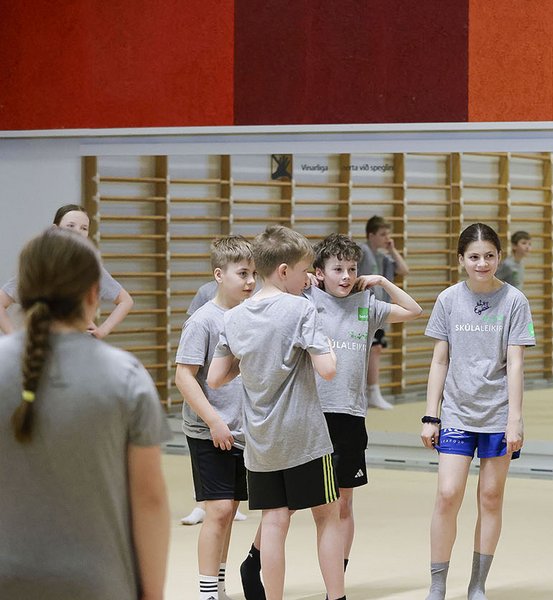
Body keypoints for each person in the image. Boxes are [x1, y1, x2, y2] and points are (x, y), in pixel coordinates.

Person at [0, 227, 170, 599]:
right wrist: (153, 593)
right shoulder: (126, 377)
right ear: (94, 294)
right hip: (98, 583)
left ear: (22, 293)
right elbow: (150, 499)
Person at [207, 225, 345, 600]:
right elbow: (327, 369)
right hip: (305, 439)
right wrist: (328, 347)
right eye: (305, 271)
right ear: (283, 271)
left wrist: (253, 362)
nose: (309, 278)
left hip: (261, 441)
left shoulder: (234, 317)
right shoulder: (301, 309)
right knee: (327, 516)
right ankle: (337, 597)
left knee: (273, 520)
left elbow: (216, 378)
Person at [420, 223, 535, 600]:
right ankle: (438, 583)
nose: (482, 263)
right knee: (447, 494)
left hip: (498, 414)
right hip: (457, 411)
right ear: (461, 260)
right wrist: (431, 415)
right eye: (474, 257)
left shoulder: (514, 300)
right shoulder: (448, 299)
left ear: (499, 257)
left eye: (489, 256)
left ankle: (478, 584)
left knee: (490, 496)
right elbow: (440, 360)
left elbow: (515, 364)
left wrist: (514, 419)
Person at [308, 233, 423, 573]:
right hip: (313, 415)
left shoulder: (367, 306)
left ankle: (338, 572)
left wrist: (383, 282)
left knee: (344, 503)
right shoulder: (306, 301)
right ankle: (256, 558)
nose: (346, 276)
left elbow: (413, 310)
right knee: (305, 504)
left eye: (352, 269)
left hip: (351, 416)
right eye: (337, 269)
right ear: (320, 273)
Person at [175, 236, 261, 600]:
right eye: (242, 273)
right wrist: (213, 421)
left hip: (242, 431)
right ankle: (207, 593)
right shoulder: (203, 321)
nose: (250, 281)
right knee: (220, 510)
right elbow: (183, 376)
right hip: (208, 430)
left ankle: (220, 586)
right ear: (219, 275)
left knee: (229, 512)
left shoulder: (250, 316)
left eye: (254, 273)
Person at [0, 204, 133, 337]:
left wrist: (103, 330)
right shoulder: (39, 265)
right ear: (55, 229)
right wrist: (14, 336)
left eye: (84, 228)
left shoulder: (90, 267)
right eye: (71, 226)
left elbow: (126, 301)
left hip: (79, 343)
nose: (77, 232)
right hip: (42, 344)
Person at [358, 215, 410, 410]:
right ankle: (368, 392)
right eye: (382, 234)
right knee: (368, 349)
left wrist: (392, 249)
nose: (387, 238)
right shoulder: (362, 251)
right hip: (363, 309)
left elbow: (404, 270)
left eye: (388, 234)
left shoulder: (384, 257)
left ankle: (372, 392)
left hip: (378, 310)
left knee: (376, 348)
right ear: (371, 235)